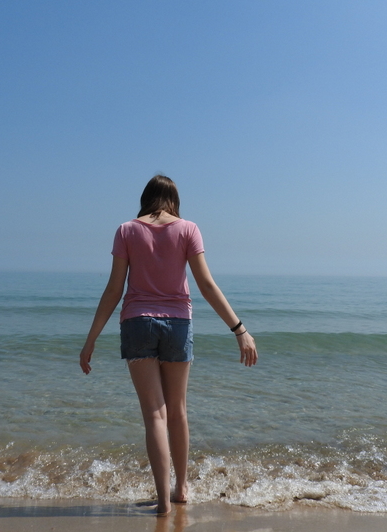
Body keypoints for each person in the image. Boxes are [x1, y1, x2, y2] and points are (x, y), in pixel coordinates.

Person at [79, 174, 258, 516]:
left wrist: (91, 340)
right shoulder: (188, 229)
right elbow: (206, 284)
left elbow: (114, 289)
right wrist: (239, 329)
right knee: (177, 412)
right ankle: (181, 489)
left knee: (155, 415)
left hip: (137, 323)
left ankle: (162, 502)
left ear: (145, 199)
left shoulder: (126, 230)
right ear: (174, 201)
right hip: (178, 324)